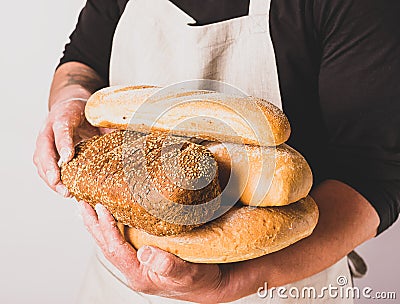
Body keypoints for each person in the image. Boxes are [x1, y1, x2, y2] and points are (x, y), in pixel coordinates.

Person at [33, 0, 400, 303]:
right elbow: (83, 60)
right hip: (121, 281)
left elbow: (374, 177)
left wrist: (231, 282)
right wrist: (72, 101)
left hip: (282, 287)